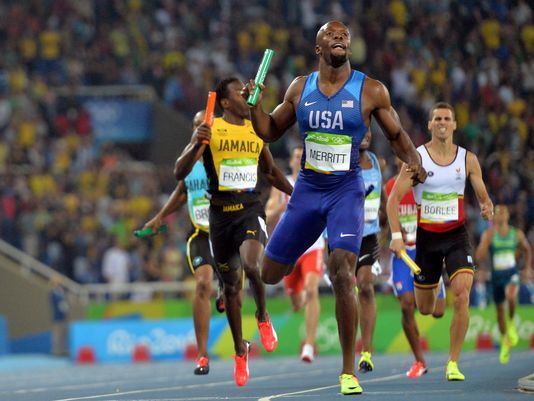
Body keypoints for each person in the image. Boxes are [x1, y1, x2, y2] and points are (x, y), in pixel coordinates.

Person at [243, 20, 426, 395]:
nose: (340, 37)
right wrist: (255, 107)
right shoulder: (300, 87)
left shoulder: (371, 89)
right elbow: (270, 130)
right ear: (318, 48)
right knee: (268, 273)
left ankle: (347, 371)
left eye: (344, 35)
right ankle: (284, 297)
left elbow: (396, 135)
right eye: (331, 34)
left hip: (346, 191)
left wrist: (414, 162)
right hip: (308, 191)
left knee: (342, 271)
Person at [174, 77, 293, 387]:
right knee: (231, 290)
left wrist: (297, 195)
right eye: (241, 94)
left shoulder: (256, 129)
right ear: (225, 103)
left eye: (247, 92)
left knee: (253, 264)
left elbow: (270, 172)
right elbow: (179, 172)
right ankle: (241, 350)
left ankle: (263, 316)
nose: (246, 96)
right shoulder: (211, 130)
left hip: (249, 210)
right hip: (220, 219)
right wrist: (194, 143)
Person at [387, 102, 494, 382]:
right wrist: (397, 237)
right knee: (426, 308)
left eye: (448, 118)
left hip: (456, 236)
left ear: (455, 124)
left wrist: (486, 204)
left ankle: (453, 363)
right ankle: (436, 288)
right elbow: (392, 201)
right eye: (438, 118)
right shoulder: (418, 158)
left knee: (463, 292)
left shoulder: (467, 159)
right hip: (427, 240)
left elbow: (482, 191)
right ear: (430, 125)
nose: (443, 122)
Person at [144, 110, 224, 376]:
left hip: (226, 231)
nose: (199, 128)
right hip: (200, 233)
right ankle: (202, 354)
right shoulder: (188, 162)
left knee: (232, 287)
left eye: (204, 125)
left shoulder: (222, 154)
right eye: (195, 125)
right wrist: (158, 217)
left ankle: (227, 289)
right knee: (202, 284)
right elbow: (182, 192)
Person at [386, 156, 446, 378]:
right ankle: (419, 360)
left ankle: (437, 282)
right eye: (400, 160)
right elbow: (385, 217)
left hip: (427, 250)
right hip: (402, 254)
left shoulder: (428, 183)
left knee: (438, 311)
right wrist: (391, 236)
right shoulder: (390, 187)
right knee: (406, 304)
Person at [265, 145, 325, 363]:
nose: (300, 160)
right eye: (297, 156)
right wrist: (280, 209)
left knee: (311, 291)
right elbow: (267, 214)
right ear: (291, 161)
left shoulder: (316, 181)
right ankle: (297, 300)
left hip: (313, 245)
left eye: (303, 157)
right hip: (290, 248)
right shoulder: (283, 186)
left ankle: (309, 344)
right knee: (297, 302)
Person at [475, 204, 532, 364]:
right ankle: (504, 343)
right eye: (497, 213)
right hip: (497, 276)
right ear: (494, 217)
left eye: (502, 213)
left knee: (511, 295)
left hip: (512, 273)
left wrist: (527, 268)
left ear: (507, 216)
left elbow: (527, 249)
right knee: (500, 312)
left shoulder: (516, 234)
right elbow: (479, 257)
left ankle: (512, 324)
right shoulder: (489, 234)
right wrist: (484, 243)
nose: (500, 216)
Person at [355, 130, 387, 373]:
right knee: (346, 290)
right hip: (342, 235)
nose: (366, 134)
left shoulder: (377, 162)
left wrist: (389, 225)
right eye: (361, 128)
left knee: (366, 284)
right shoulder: (343, 161)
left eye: (369, 129)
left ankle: (366, 351)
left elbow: (383, 196)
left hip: (368, 236)